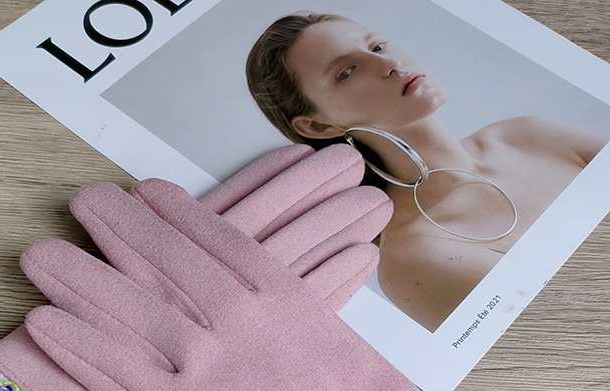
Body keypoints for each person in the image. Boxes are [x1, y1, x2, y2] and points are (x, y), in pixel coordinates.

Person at [246, 13, 607, 331]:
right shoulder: (414, 256)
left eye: (377, 46)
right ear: (318, 126)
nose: (388, 63)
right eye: (346, 72)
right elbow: (567, 327)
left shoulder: (527, 134)